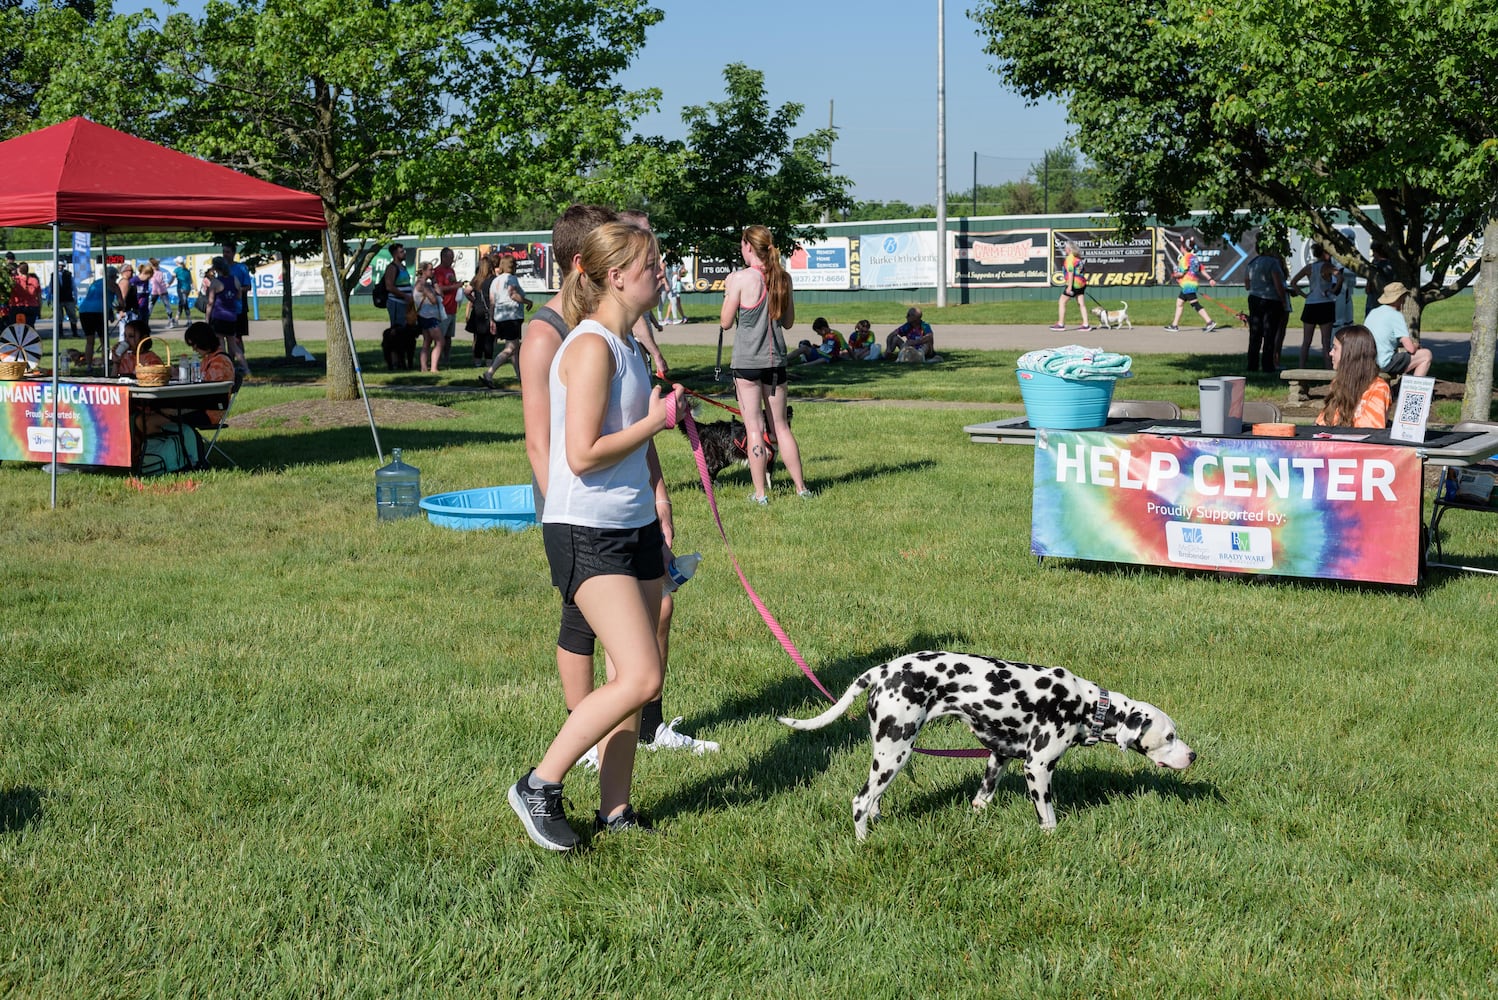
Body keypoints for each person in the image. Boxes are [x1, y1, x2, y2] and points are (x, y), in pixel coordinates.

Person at [507, 220, 687, 850]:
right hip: (586, 529)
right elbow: (580, 455)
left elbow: (630, 441)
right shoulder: (587, 347)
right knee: (640, 676)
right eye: (653, 265)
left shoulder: (629, 347)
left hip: (630, 524)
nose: (663, 273)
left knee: (628, 674)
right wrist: (658, 421)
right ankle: (540, 783)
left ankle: (616, 810)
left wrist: (663, 427)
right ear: (616, 276)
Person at [721, 224, 811, 504]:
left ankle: (760, 494)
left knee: (754, 429)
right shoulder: (782, 278)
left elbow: (725, 322)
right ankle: (801, 488)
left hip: (747, 362)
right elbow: (788, 322)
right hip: (775, 363)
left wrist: (728, 295)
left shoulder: (739, 279)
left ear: (748, 246)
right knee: (781, 427)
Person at [137, 322, 237, 438]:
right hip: (199, 407)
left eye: (194, 345)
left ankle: (173, 451)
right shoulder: (209, 359)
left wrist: (178, 409)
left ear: (203, 341)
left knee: (148, 422)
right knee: (144, 419)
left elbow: (212, 397)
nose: (194, 349)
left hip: (208, 413)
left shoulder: (220, 363)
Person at [1316, 326, 1390, 428]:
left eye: (1335, 348)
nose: (1330, 353)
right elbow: (1322, 423)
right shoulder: (1338, 382)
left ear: (1350, 354)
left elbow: (1370, 431)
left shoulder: (1378, 388)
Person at [481, 255, 531, 388]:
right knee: (510, 349)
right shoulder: (511, 278)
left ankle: (520, 377)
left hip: (500, 316)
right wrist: (527, 301)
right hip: (511, 316)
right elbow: (512, 294)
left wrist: (492, 319)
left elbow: (492, 302)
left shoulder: (495, 281)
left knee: (515, 348)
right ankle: (489, 373)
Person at [1364, 282, 1433, 377]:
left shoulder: (1373, 312)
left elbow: (1382, 338)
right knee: (1426, 355)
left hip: (1368, 362)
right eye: (1404, 297)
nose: (1404, 300)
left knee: (1403, 357)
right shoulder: (1396, 315)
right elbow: (1411, 349)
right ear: (1399, 298)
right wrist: (1416, 345)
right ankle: (1413, 389)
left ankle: (1400, 386)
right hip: (1384, 363)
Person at [1290, 243, 1340, 367]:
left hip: (1311, 304)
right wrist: (1333, 291)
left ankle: (1301, 367)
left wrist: (1304, 295)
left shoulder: (1309, 267)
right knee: (1326, 340)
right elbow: (1341, 278)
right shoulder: (1328, 266)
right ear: (1324, 253)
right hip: (1325, 304)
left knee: (1306, 341)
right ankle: (1329, 368)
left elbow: (1293, 282)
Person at [1243, 244, 1290, 373]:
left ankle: (1252, 365)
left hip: (1254, 298)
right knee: (1270, 333)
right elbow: (1277, 283)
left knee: (1255, 333)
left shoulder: (1252, 263)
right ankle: (1267, 365)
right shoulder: (1273, 263)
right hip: (1271, 300)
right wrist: (1284, 300)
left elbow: (1247, 284)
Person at [1165, 236, 1218, 332]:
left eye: (1181, 245)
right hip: (1192, 284)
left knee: (1195, 304)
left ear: (1183, 248)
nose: (1180, 247)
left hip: (1188, 285)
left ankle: (1209, 322)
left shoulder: (1184, 259)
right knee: (1179, 303)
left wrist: (1174, 274)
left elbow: (1181, 273)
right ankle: (1174, 325)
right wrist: (1210, 279)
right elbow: (1202, 270)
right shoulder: (1195, 258)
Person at [205, 255, 242, 383]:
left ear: (215, 268)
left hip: (219, 316)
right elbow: (238, 295)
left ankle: (225, 369)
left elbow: (210, 302)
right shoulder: (234, 279)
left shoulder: (215, 282)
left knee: (221, 345)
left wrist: (207, 318)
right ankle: (246, 368)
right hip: (231, 316)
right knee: (234, 346)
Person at [79, 264, 122, 371]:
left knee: (90, 340)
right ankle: (104, 364)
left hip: (84, 311)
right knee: (104, 341)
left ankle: (89, 366)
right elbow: (121, 302)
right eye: (116, 277)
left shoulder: (95, 283)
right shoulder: (113, 285)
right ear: (113, 277)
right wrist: (119, 308)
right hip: (98, 312)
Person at [220, 242, 253, 379]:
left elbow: (248, 286)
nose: (225, 254)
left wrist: (236, 290)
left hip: (238, 308)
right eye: (224, 252)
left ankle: (240, 365)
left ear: (234, 253)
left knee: (237, 338)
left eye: (227, 252)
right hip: (224, 309)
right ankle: (230, 365)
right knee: (226, 338)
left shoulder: (241, 268)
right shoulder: (221, 268)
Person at [1051, 241, 1091, 331]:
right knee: (1081, 303)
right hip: (1081, 283)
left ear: (1069, 249)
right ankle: (1086, 324)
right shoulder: (1078, 258)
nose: (1065, 249)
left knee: (1062, 301)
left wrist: (1069, 287)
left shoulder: (1070, 258)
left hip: (1073, 284)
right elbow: (1082, 271)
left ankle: (1061, 324)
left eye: (1065, 248)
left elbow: (1070, 272)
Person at [412, 261, 444, 372]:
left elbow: (441, 294)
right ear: (423, 271)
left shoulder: (428, 283)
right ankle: (434, 368)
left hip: (426, 316)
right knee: (440, 341)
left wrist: (434, 282)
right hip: (428, 316)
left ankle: (424, 368)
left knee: (427, 342)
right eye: (430, 270)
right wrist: (432, 292)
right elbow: (434, 300)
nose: (433, 271)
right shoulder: (422, 284)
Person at [466, 254, 495, 366]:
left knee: (479, 338)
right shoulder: (493, 280)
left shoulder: (476, 279)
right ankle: (489, 361)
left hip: (478, 310)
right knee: (489, 338)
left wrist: (474, 300)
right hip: (490, 310)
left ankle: (477, 361)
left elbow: (466, 291)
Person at [380, 242, 414, 337]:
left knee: (406, 328)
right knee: (397, 329)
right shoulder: (392, 267)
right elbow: (389, 286)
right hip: (396, 303)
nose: (404, 253)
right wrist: (404, 296)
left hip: (406, 303)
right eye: (401, 252)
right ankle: (394, 350)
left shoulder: (403, 267)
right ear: (395, 254)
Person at [433, 247, 460, 366]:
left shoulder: (451, 270)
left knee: (449, 336)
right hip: (443, 308)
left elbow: (453, 283)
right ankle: (436, 359)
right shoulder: (438, 271)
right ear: (443, 257)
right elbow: (438, 288)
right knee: (441, 336)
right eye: (450, 257)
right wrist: (454, 287)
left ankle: (446, 358)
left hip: (452, 307)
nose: (452, 260)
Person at [1364, 243, 1396, 321]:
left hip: (1373, 301)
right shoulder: (1393, 265)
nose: (1373, 255)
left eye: (1374, 252)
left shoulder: (1375, 266)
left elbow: (1368, 288)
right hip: (1389, 301)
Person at [9, 262, 41, 329]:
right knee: (29, 327)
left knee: (17, 328)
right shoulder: (34, 280)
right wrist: (39, 307)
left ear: (19, 270)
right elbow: (38, 295)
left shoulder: (15, 280)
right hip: (32, 306)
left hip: (17, 306)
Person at [56, 263, 79, 338]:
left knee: (72, 315)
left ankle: (75, 332)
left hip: (68, 298)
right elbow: (51, 287)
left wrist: (75, 297)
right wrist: (50, 298)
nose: (60, 267)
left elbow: (74, 286)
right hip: (58, 299)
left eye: (61, 265)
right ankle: (60, 334)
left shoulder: (68, 274)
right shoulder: (54, 275)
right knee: (59, 317)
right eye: (58, 265)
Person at [172, 257, 194, 325]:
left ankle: (189, 321)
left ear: (178, 263)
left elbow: (172, 278)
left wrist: (168, 284)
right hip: (187, 289)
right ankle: (176, 319)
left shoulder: (177, 270)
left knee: (184, 304)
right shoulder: (187, 270)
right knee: (182, 303)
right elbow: (191, 281)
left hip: (181, 289)